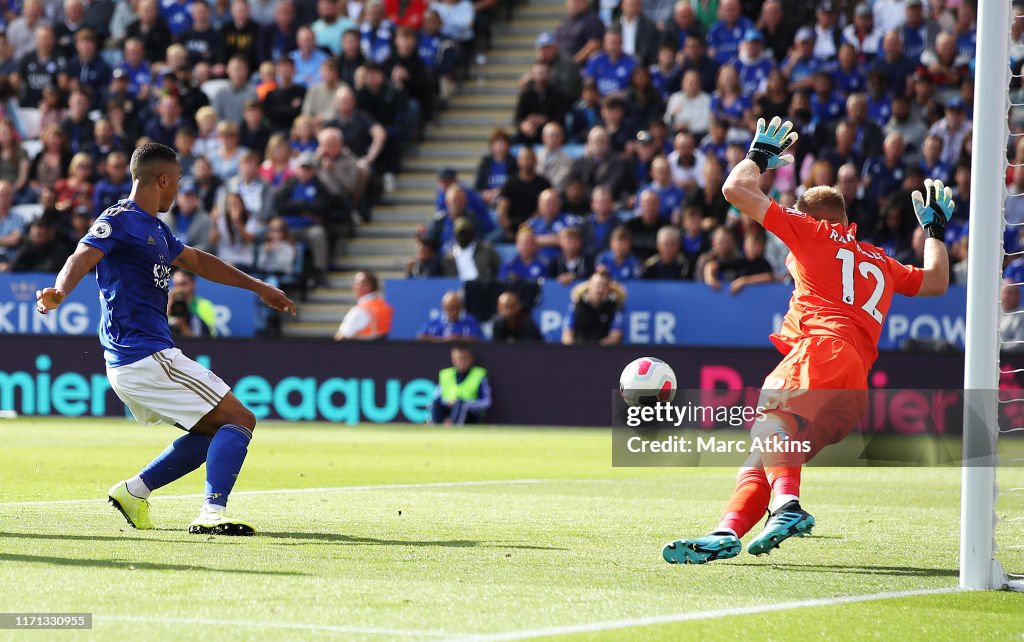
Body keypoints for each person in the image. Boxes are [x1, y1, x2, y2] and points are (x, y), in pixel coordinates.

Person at [663, 117, 950, 564]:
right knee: (766, 454)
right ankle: (727, 530)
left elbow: (735, 190)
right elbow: (935, 281)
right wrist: (933, 231)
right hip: (853, 384)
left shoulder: (812, 234)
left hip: (822, 349)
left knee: (770, 418)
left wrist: (758, 156)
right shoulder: (880, 260)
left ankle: (789, 507)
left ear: (813, 218)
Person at [36, 142, 296, 536]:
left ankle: (133, 492)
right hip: (145, 356)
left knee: (211, 430)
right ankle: (212, 512)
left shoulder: (157, 229)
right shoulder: (120, 218)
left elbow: (198, 261)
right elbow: (82, 256)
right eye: (176, 182)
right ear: (162, 179)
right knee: (240, 419)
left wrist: (257, 285)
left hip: (138, 360)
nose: (177, 190)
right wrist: (59, 291)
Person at [429, 345, 492, 425]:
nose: (460, 361)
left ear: (471, 359)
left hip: (470, 414)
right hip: (448, 410)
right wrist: (448, 402)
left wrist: (465, 403)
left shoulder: (479, 375)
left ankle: (454, 430)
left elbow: (486, 402)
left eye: (464, 358)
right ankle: (436, 428)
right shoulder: (446, 374)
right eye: (457, 358)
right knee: (436, 404)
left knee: (460, 404)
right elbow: (436, 398)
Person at [561, 270, 625, 345]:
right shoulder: (577, 305)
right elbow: (567, 335)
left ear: (608, 289)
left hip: (604, 352)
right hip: (578, 350)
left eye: (604, 286)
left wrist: (594, 350)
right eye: (597, 285)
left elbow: (615, 337)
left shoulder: (614, 307)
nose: (600, 289)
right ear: (589, 286)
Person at [334, 270, 394, 340]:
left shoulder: (359, 310)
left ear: (367, 286)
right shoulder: (385, 306)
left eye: (357, 283)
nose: (353, 286)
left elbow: (342, 336)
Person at [166, 269, 216, 338]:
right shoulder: (168, 303)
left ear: (193, 285)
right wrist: (168, 306)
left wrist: (182, 326)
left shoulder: (204, 305)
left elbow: (208, 338)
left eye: (183, 284)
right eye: (175, 284)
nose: (178, 288)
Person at [417, 290, 483, 341]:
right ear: (444, 307)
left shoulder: (470, 321)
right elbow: (420, 337)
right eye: (451, 307)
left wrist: (457, 339)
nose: (454, 311)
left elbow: (477, 339)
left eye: (457, 307)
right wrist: (442, 340)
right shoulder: (434, 323)